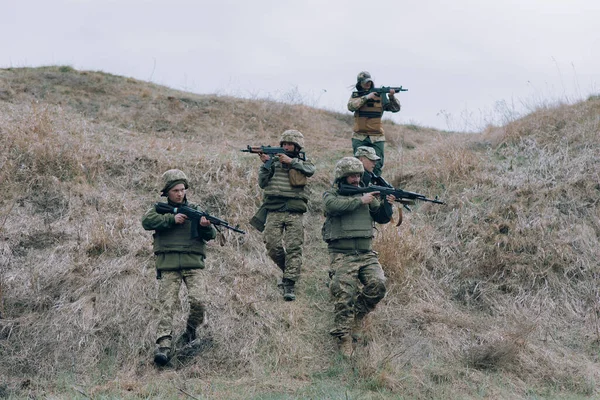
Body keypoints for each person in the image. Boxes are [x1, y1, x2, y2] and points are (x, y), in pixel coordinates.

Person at [142, 169, 217, 366]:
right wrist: (171, 219)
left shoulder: (195, 208)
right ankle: (163, 347)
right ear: (167, 192)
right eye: (175, 190)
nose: (180, 194)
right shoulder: (159, 210)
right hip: (169, 264)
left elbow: (212, 235)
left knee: (199, 301)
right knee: (167, 305)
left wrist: (205, 226)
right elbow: (146, 222)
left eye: (182, 189)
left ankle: (191, 329)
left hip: (193, 263)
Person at [322, 157, 395, 357]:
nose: (355, 179)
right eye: (351, 176)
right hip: (343, 254)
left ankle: (356, 317)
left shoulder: (367, 193)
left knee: (378, 284)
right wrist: (360, 200)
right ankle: (343, 336)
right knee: (343, 293)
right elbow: (332, 206)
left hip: (366, 253)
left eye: (358, 175)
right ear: (342, 177)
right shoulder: (332, 194)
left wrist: (387, 205)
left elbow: (381, 217)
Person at [251, 129, 315, 301]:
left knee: (294, 247)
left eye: (290, 144)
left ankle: (289, 283)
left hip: (294, 210)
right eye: (284, 144)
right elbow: (263, 183)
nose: (286, 147)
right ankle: (290, 271)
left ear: (297, 147)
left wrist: (292, 162)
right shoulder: (272, 161)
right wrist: (266, 164)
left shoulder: (302, 161)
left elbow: (310, 170)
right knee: (272, 245)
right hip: (274, 208)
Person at [348, 71, 401, 177]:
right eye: (365, 82)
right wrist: (367, 97)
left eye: (369, 82)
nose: (368, 84)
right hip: (359, 137)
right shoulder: (357, 96)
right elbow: (351, 106)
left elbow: (395, 108)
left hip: (377, 137)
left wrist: (391, 97)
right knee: (358, 165)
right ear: (360, 84)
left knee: (376, 166)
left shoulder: (380, 96)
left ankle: (375, 188)